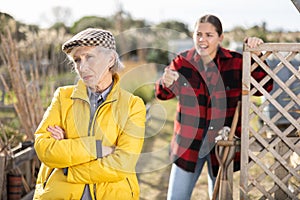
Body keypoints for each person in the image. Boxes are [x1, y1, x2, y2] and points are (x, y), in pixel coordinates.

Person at [155, 14, 273, 200]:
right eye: (198, 34)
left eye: (209, 35)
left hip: (221, 145)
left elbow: (265, 87)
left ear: (220, 37)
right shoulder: (182, 62)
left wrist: (257, 57)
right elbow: (162, 94)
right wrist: (165, 82)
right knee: (176, 197)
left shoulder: (236, 61)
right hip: (187, 143)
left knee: (218, 196)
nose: (202, 40)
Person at [33, 28, 146, 199]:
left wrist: (67, 166)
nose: (82, 67)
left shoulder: (133, 105)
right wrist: (98, 149)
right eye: (77, 60)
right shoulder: (63, 97)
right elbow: (44, 148)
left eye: (89, 57)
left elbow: (123, 163)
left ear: (110, 59)